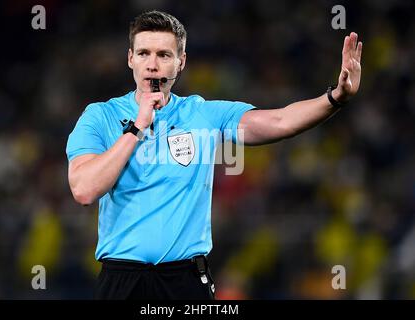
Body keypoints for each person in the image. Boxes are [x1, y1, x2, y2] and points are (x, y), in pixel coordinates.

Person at [66, 10, 362, 300]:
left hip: (185, 281)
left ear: (180, 63)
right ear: (130, 58)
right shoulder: (101, 116)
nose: (152, 65)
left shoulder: (202, 113)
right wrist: (137, 127)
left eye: (164, 55)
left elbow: (281, 121)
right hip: (121, 280)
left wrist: (335, 97)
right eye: (143, 53)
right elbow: (84, 189)